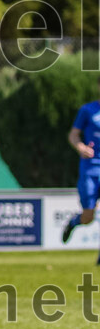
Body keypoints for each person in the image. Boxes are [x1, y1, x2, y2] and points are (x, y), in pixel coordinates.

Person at [61, 79, 100, 256]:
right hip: (90, 168)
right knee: (88, 217)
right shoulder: (87, 110)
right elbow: (73, 135)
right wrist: (81, 147)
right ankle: (74, 222)